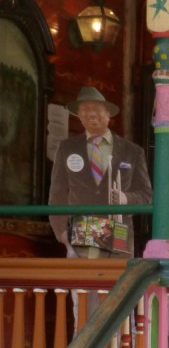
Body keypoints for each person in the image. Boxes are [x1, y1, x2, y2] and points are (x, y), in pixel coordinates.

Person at [49, 86, 152, 258]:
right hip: (82, 228)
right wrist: (61, 231)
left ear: (108, 114)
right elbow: (57, 193)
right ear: (79, 115)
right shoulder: (67, 148)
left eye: (96, 108)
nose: (91, 113)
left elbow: (146, 196)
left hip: (119, 229)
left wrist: (125, 198)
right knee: (84, 276)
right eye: (85, 109)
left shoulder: (132, 152)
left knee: (118, 275)